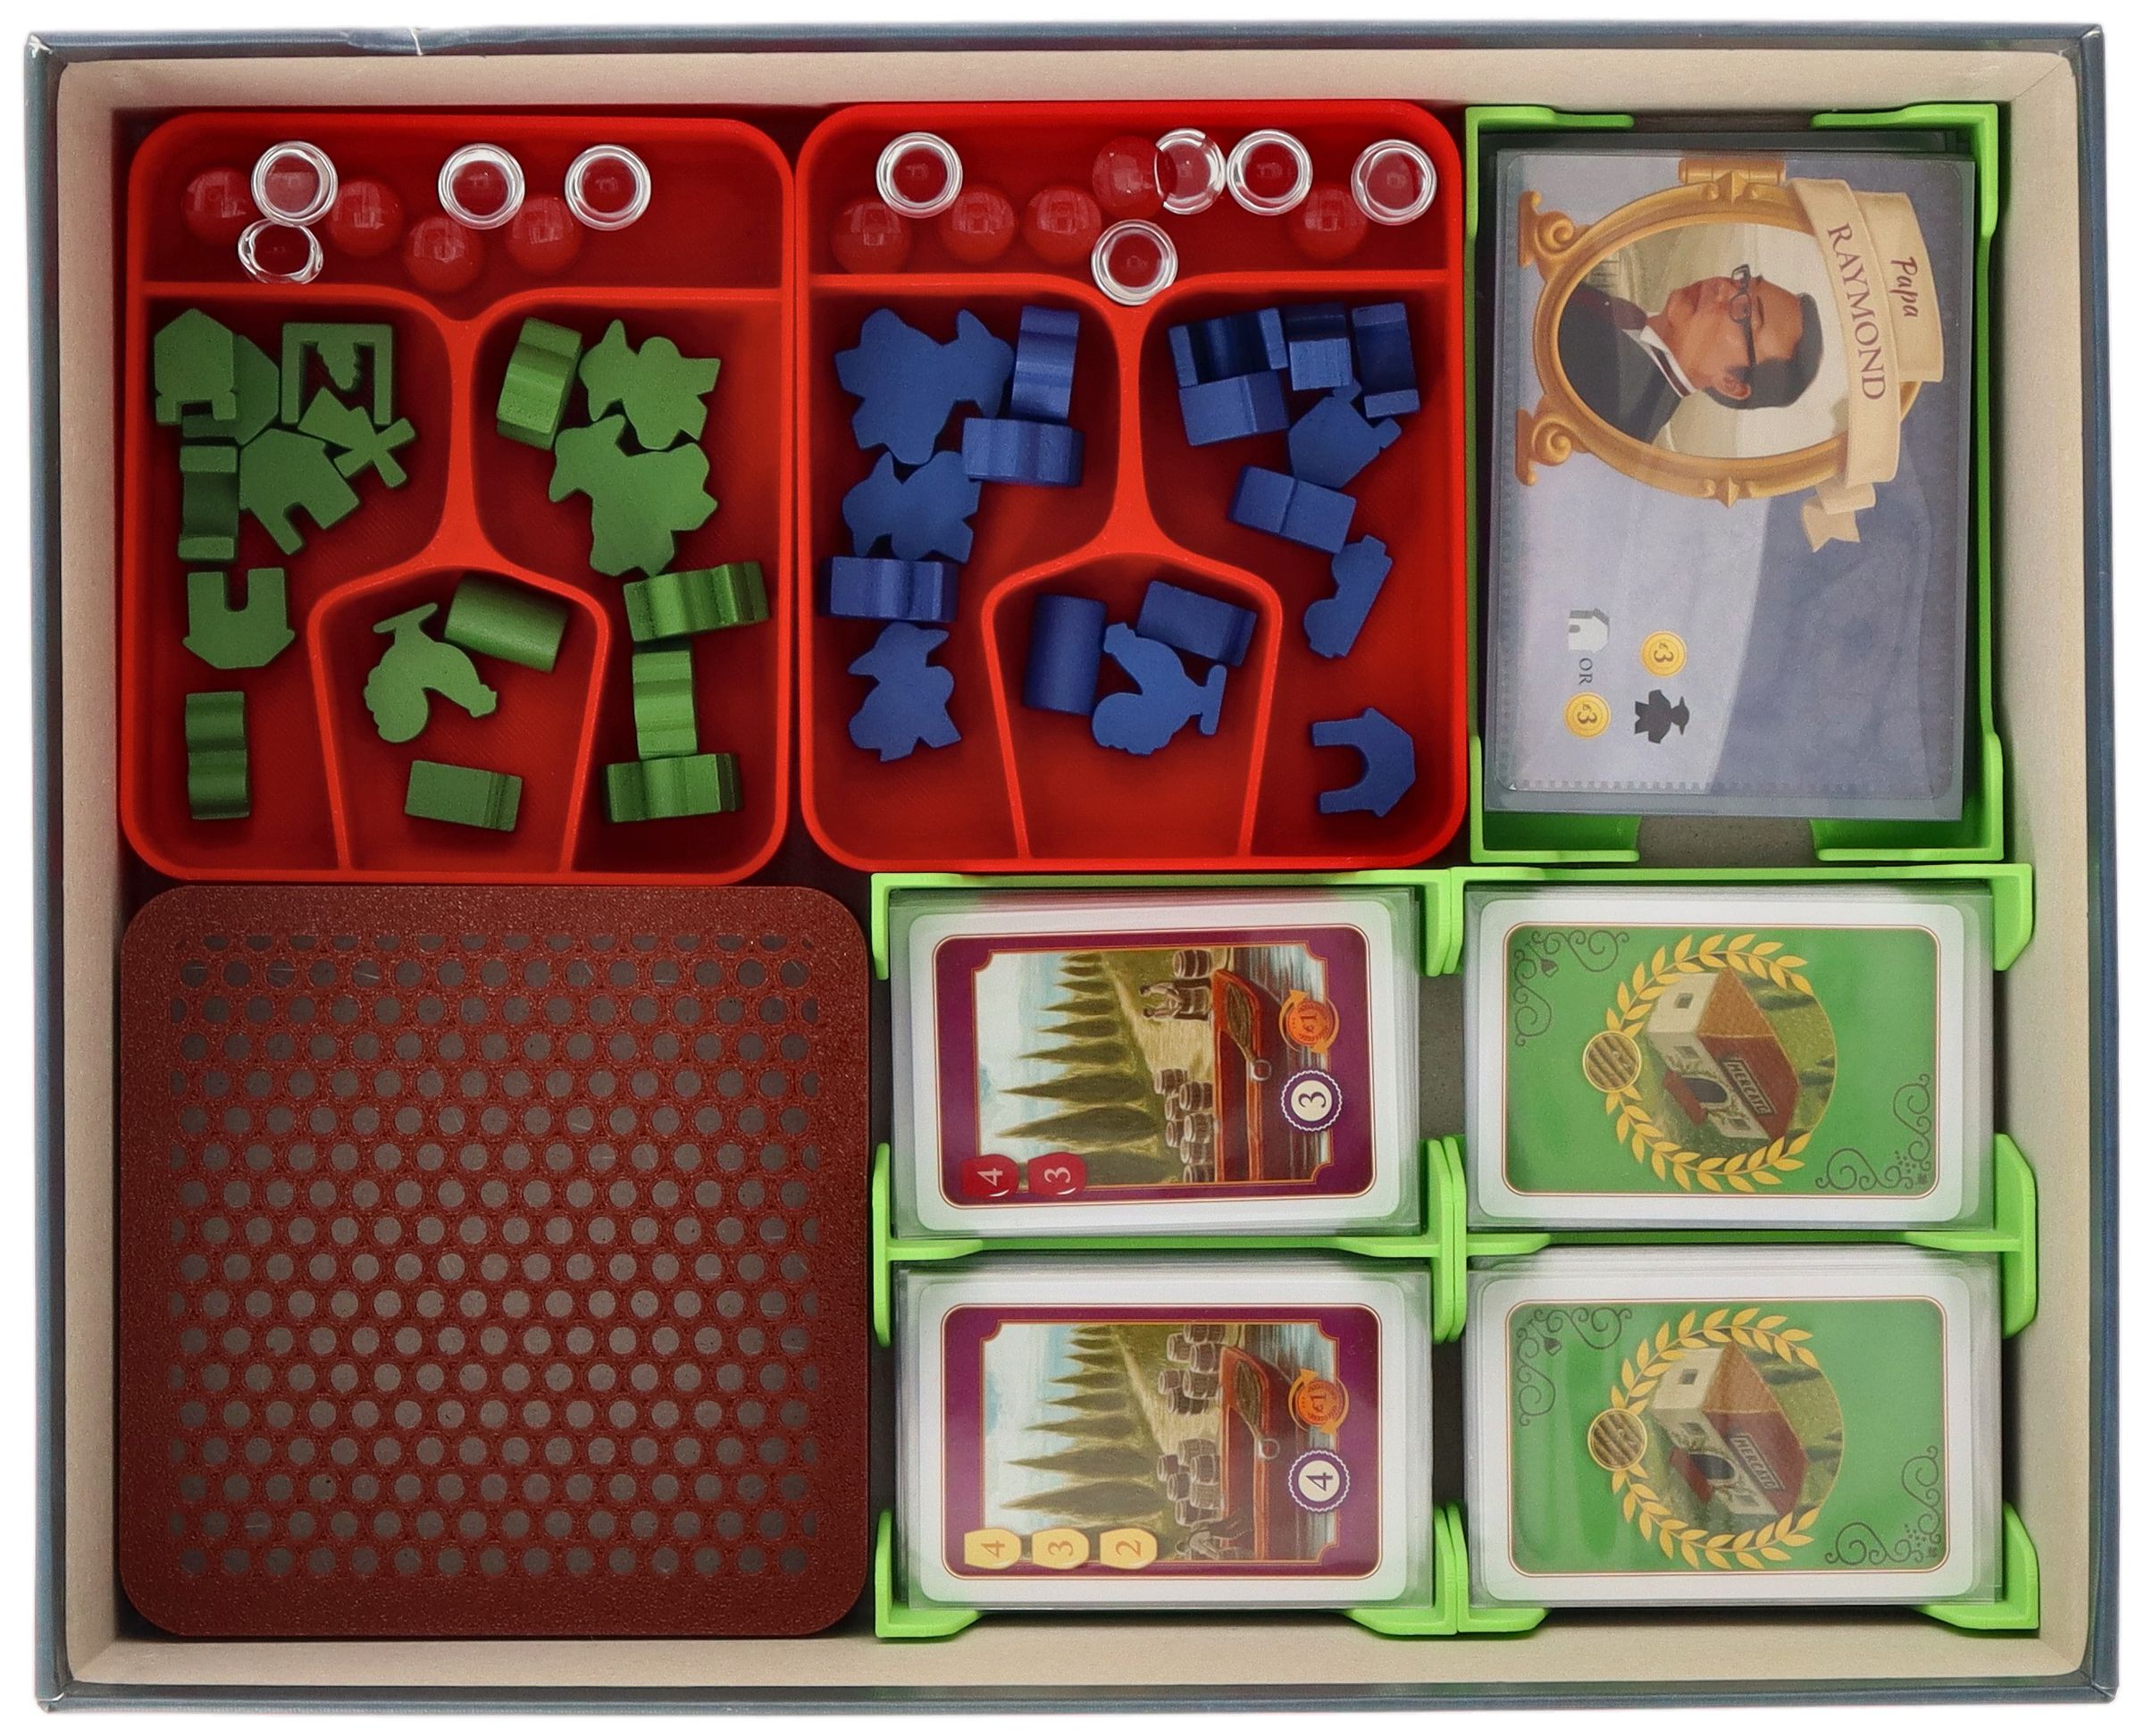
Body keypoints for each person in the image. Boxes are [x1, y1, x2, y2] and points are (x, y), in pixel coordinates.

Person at [1556, 264, 1823, 444]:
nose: (1722, 287)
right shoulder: (1632, 327)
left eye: (1744, 311)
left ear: (1731, 383)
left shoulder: (1621, 406)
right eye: (1743, 282)